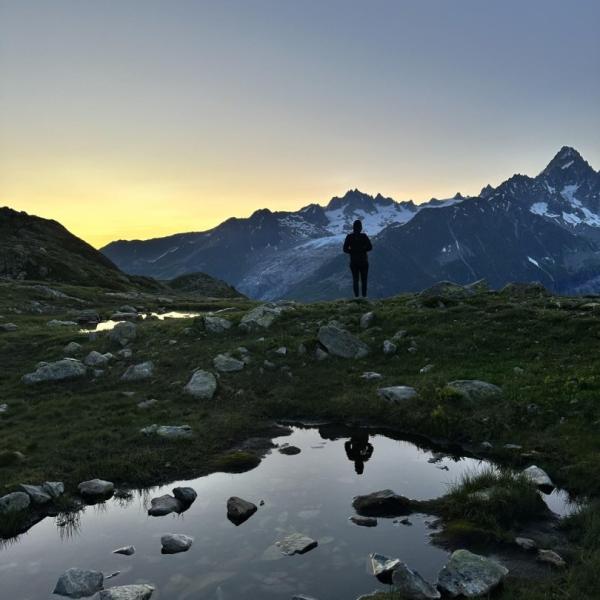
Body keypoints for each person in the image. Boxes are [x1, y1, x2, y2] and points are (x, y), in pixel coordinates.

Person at [343, 219, 372, 298]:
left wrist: (352, 251)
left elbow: (345, 249)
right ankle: (364, 297)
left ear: (353, 227)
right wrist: (362, 250)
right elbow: (370, 247)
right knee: (364, 280)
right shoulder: (364, 236)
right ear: (361, 228)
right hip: (363, 261)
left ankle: (356, 297)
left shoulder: (349, 237)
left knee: (355, 280)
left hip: (353, 261)